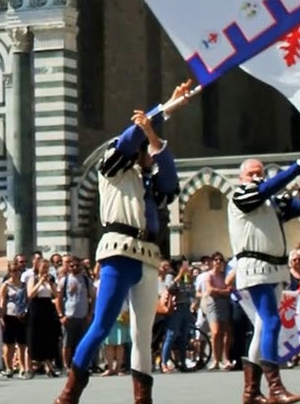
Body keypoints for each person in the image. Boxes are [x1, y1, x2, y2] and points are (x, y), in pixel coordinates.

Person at [52, 80, 192, 404]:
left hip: (147, 255)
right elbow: (129, 139)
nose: (149, 156)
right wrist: (164, 110)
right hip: (119, 250)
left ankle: (143, 399)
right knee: (101, 325)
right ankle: (69, 395)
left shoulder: (147, 180)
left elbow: (169, 182)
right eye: (147, 149)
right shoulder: (111, 167)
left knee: (142, 334)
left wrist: (155, 134)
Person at [228, 152, 300, 404]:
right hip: (255, 266)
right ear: (241, 178)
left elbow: (290, 208)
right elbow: (269, 188)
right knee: (270, 321)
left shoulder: (267, 200)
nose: (256, 177)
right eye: (251, 174)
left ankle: (251, 391)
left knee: (262, 327)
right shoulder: (241, 196)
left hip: (275, 269)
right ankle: (275, 388)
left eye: (260, 173)